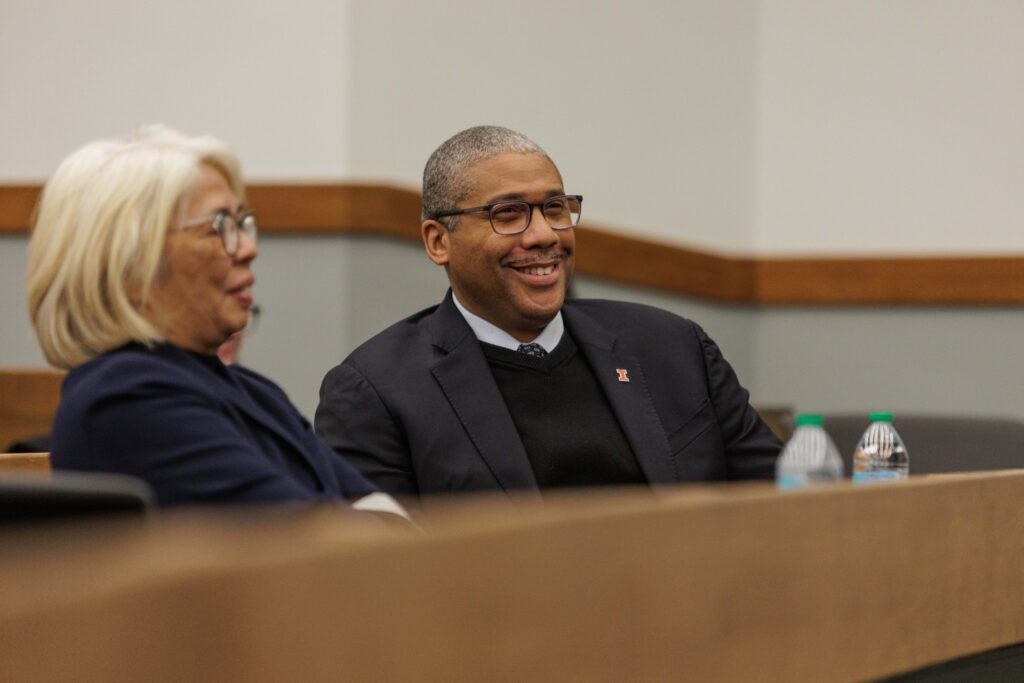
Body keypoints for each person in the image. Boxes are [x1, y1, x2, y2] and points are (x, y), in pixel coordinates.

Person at [315, 125, 781, 499]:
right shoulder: (376, 392)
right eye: (509, 214)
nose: (544, 235)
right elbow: (378, 575)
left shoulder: (671, 347)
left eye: (555, 208)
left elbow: (788, 498)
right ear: (439, 242)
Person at [27, 125, 403, 517]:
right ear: (132, 264)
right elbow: (326, 547)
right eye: (220, 226)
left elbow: (380, 526)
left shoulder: (253, 391)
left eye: (242, 224)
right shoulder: (125, 400)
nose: (249, 248)